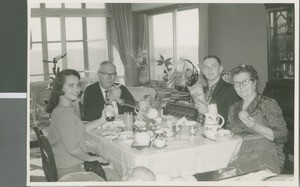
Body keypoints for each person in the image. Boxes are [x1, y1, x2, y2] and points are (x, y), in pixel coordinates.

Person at [45, 69, 120, 180]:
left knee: (110, 167)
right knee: (115, 173)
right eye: (71, 86)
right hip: (69, 169)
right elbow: (73, 149)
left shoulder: (63, 108)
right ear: (60, 88)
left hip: (66, 163)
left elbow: (79, 129)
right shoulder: (64, 114)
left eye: (78, 85)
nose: (76, 89)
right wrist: (90, 159)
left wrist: (102, 119)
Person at [227, 64, 288, 172]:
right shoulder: (233, 108)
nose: (241, 86)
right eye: (237, 83)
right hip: (239, 157)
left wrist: (256, 127)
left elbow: (283, 136)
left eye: (245, 81)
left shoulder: (267, 104)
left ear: (254, 83)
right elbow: (230, 134)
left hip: (266, 158)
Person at [200, 55, 240, 126]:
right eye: (206, 67)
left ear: (220, 69)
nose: (209, 70)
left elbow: (231, 122)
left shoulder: (230, 90)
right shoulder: (201, 91)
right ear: (203, 71)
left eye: (214, 66)